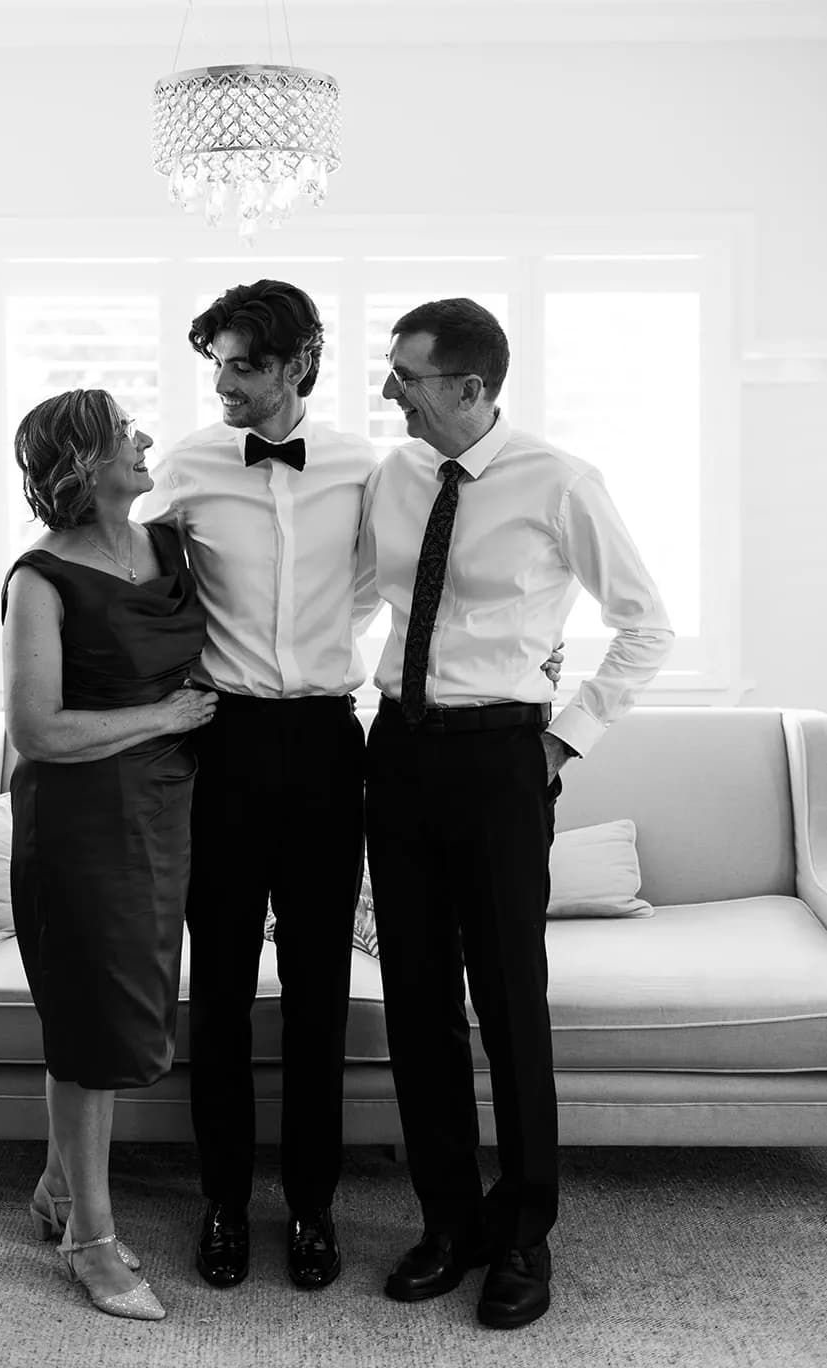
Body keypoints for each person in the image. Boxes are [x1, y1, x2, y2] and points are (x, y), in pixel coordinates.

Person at [138, 278, 565, 1291]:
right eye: (217, 366)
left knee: (322, 994)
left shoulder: (370, 469)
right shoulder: (187, 465)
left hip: (333, 747)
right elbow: (136, 582)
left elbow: (414, 586)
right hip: (226, 748)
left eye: (245, 364)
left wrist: (535, 681)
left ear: (296, 366)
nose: (226, 384)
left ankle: (317, 1210)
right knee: (226, 995)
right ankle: (226, 1205)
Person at [358, 297, 674, 1330]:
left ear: (470, 386)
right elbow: (358, 597)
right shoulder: (392, 475)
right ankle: (450, 1221)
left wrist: (561, 737)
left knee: (507, 997)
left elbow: (645, 624)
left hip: (502, 758)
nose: (388, 389)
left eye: (405, 374)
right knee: (415, 999)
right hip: (397, 752)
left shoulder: (560, 481)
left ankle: (525, 1231)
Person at [1, 388, 216, 1322]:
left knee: (123, 1011)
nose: (143, 439)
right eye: (123, 432)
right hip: (80, 818)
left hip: (166, 812)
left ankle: (56, 1188)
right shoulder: (38, 580)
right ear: (82, 465)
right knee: (91, 1026)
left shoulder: (167, 542)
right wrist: (163, 716)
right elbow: (38, 730)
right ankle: (91, 1243)